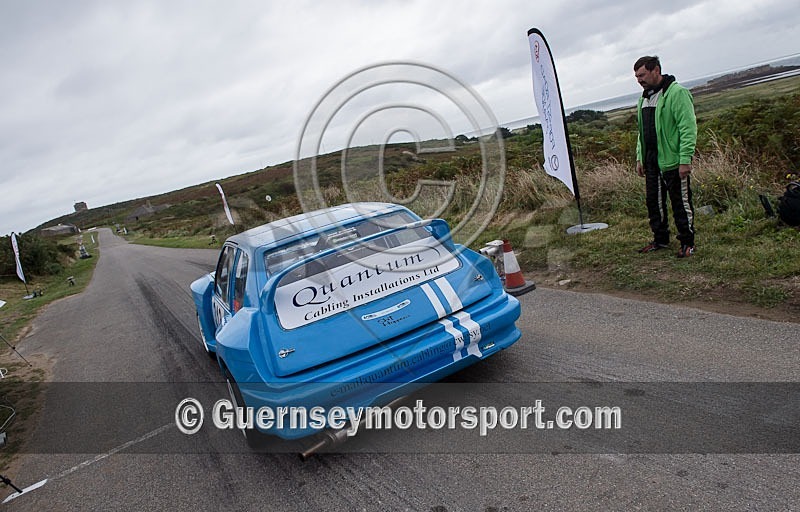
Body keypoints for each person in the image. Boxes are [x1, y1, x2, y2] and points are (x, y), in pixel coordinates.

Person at [634, 56, 698, 258]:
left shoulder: (677, 93)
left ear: (656, 70)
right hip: (652, 161)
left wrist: (685, 159)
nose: (639, 80)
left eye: (642, 75)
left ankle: (687, 243)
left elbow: (688, 128)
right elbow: (641, 132)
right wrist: (639, 157)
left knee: (680, 203)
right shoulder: (643, 98)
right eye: (636, 76)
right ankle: (660, 240)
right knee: (654, 203)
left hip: (673, 161)